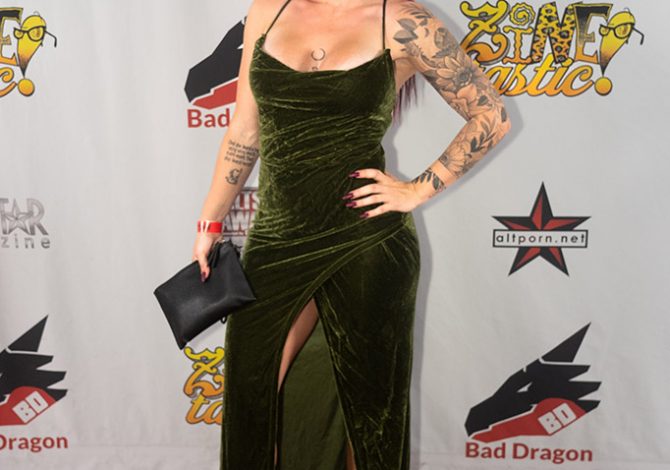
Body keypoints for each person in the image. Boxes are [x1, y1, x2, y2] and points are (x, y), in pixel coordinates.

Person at [192, 0, 511, 468]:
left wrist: (418, 189)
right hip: (277, 239)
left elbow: (491, 115)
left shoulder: (403, 20)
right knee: (249, 397)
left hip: (366, 242)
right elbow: (244, 130)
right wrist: (210, 222)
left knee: (370, 415)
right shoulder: (270, 9)